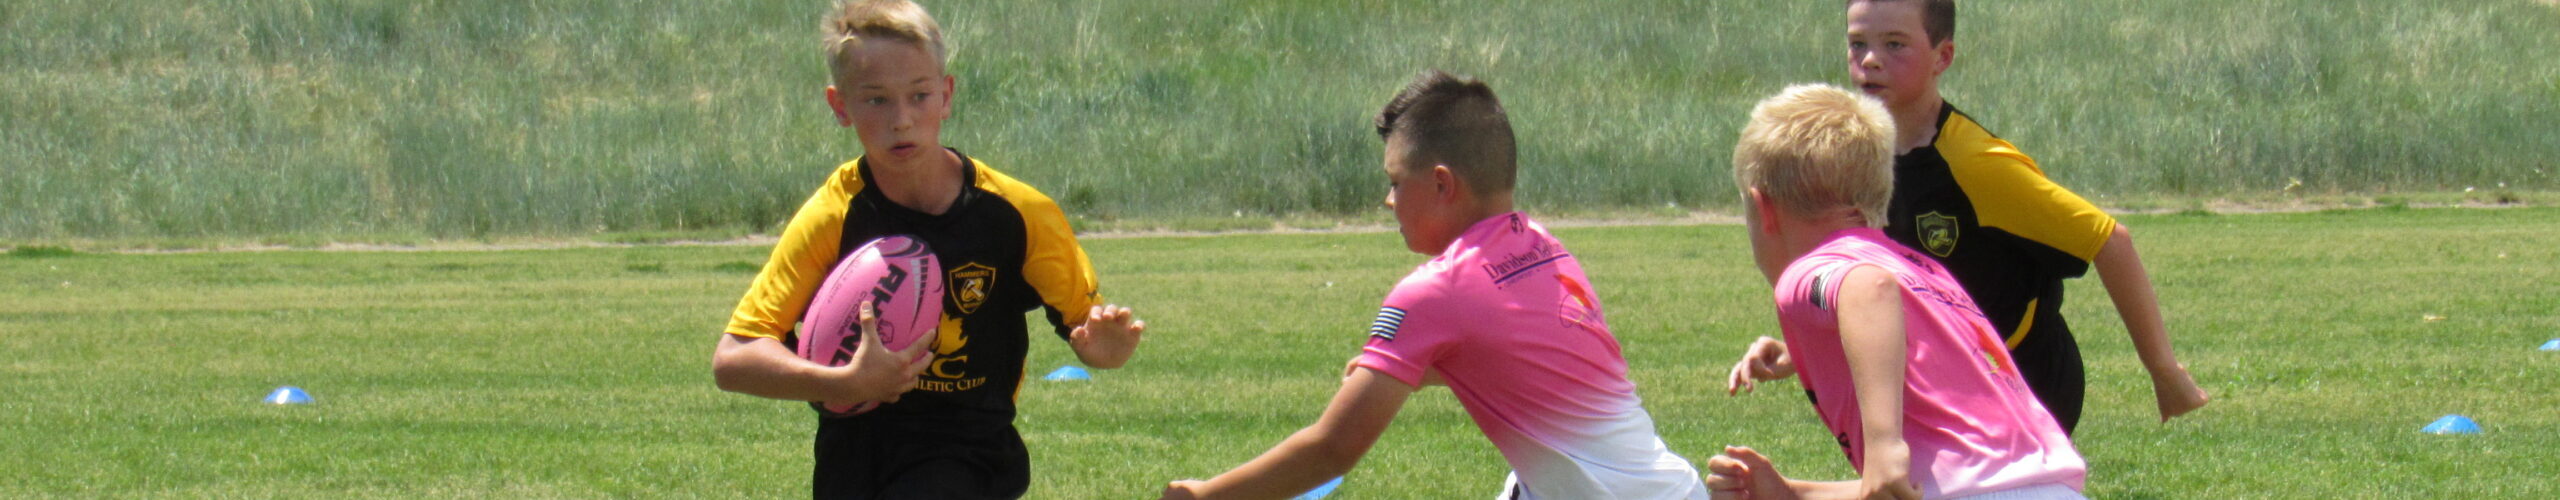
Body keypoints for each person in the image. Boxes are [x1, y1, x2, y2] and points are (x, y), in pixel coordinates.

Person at [1160, 71, 1709, 500]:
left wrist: (1205, 495)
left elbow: (1332, 450)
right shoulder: (1543, 245)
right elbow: (1535, 353)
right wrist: (1425, 373)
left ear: (1442, 184)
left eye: (1396, 182)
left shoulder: (1435, 291)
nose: (1389, 201)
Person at [709, 1, 1145, 498]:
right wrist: (847, 384)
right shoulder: (834, 216)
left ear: (946, 95)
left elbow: (1087, 330)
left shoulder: (1018, 214)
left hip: (969, 453)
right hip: (853, 458)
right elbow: (734, 359)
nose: (902, 120)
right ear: (840, 106)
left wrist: (1104, 351)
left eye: (919, 96)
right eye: (876, 100)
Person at [1829, 0, 2206, 432]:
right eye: (1858, 44)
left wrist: (2164, 371)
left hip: (2023, 379)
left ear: (1942, 57)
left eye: (1895, 44)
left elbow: (2109, 239)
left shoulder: (1974, 163)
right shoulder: (1856, 153)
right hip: (1938, 379)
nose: (1870, 60)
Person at [1708, 84, 2086, 500]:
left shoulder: (1812, 268)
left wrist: (1884, 446)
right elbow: (1923, 484)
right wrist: (1789, 493)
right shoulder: (1926, 272)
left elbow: (1867, 289)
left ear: (1763, 209)